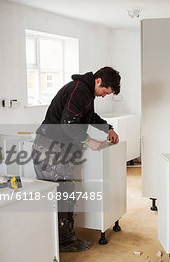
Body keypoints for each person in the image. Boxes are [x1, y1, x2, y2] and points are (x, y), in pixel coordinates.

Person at [32, 66, 121, 252]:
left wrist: (108, 128)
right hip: (51, 148)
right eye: (105, 91)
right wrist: (89, 141)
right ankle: (64, 243)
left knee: (58, 194)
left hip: (53, 146)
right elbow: (69, 125)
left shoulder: (85, 91)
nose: (104, 96)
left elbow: (89, 117)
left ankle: (55, 240)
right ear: (98, 81)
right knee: (62, 193)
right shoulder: (79, 90)